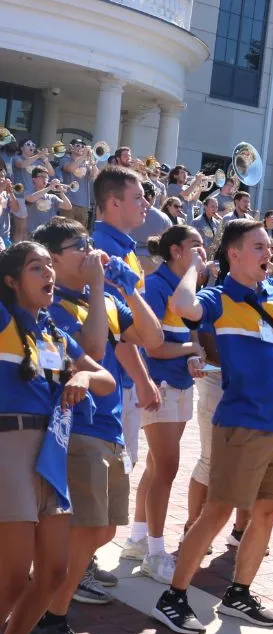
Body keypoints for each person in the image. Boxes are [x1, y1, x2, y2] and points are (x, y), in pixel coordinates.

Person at [151, 219, 273, 634]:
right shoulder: (216, 296)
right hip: (240, 422)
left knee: (267, 511)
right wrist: (196, 267)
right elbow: (182, 307)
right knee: (217, 513)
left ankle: (239, 593)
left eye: (268, 246)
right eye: (257, 246)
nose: (268, 253)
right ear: (233, 253)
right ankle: (173, 596)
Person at [29, 218, 162, 634]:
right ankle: (49, 618)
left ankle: (45, 612)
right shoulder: (52, 304)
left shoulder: (96, 299)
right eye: (76, 245)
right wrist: (101, 282)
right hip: (77, 431)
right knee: (84, 529)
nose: (88, 250)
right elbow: (97, 352)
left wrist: (129, 289)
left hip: (108, 429)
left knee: (102, 529)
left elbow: (151, 338)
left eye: (88, 241)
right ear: (52, 259)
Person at [0, 241, 115, 634]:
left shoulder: (52, 333)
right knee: (12, 575)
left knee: (53, 571)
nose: (48, 272)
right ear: (10, 281)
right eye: (35, 266)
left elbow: (103, 379)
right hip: (7, 444)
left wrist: (83, 375)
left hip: (50, 452)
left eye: (50, 264)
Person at [130, 226, 208, 585]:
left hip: (179, 382)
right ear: (176, 251)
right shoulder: (157, 284)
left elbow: (188, 334)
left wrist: (194, 355)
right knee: (167, 468)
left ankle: (137, 538)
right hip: (157, 384)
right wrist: (190, 352)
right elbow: (154, 347)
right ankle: (156, 553)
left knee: (155, 465)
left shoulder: (189, 286)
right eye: (196, 245)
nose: (202, 252)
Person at [92, 167, 163, 477]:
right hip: (111, 382)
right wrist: (142, 380)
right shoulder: (103, 250)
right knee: (111, 476)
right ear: (114, 202)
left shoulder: (126, 248)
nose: (146, 203)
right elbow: (115, 331)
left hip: (124, 380)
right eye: (137, 197)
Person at [130, 181, 172, 275]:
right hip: (154, 261)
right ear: (153, 196)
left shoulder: (129, 212)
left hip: (130, 258)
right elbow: (168, 241)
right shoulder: (163, 217)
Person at [57, 139, 97, 228]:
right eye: (78, 145)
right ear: (71, 148)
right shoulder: (66, 159)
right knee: (66, 230)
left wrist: (92, 160)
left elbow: (95, 175)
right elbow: (70, 168)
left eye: (83, 146)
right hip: (69, 202)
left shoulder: (86, 162)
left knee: (81, 232)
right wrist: (83, 156)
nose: (81, 148)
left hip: (84, 204)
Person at [24, 168, 72, 237]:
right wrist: (49, 187)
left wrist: (61, 193)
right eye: (41, 176)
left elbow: (68, 207)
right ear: (33, 179)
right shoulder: (28, 192)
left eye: (46, 177)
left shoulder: (52, 197)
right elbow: (31, 199)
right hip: (34, 232)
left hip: (50, 231)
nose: (44, 179)